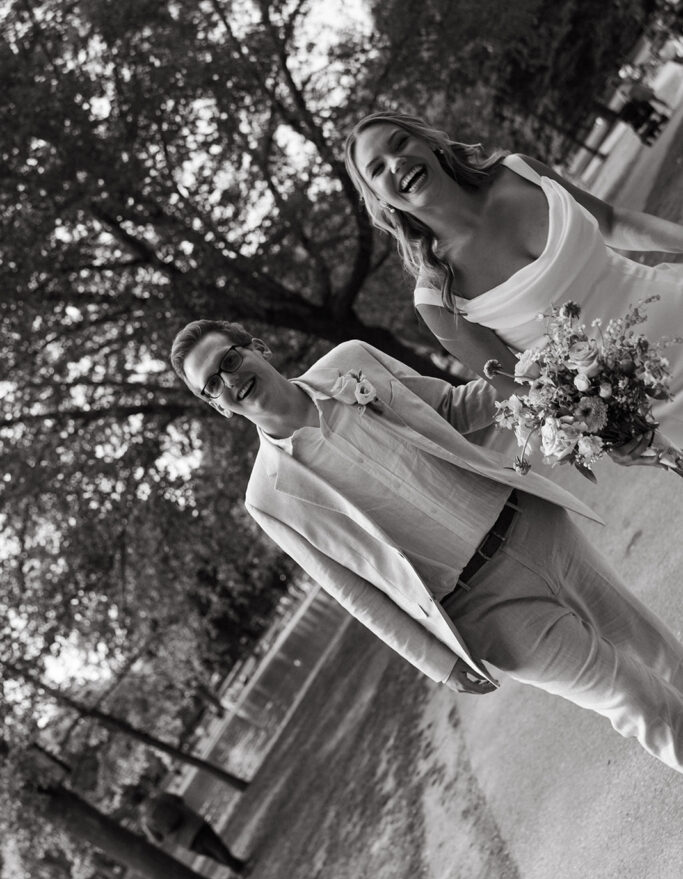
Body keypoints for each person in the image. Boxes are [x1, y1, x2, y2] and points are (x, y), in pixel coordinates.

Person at [170, 320, 683, 771]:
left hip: (532, 525)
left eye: (230, 360)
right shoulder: (267, 498)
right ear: (216, 406)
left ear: (258, 347)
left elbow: (452, 409)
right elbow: (353, 591)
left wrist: (537, 377)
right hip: (483, 609)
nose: (230, 380)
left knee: (658, 651)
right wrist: (436, 663)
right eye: (213, 384)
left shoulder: (352, 360)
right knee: (633, 699)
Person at [343, 111, 683, 451]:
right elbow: (527, 392)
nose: (395, 162)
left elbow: (612, 220)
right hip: (656, 406)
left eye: (400, 142)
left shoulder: (518, 171)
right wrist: (620, 435)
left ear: (429, 143)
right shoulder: (437, 297)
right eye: (376, 168)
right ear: (379, 199)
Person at [141, 791, 250, 875]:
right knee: (218, 847)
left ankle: (238, 867)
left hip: (185, 841)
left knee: (212, 854)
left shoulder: (146, 821)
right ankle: (239, 868)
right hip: (195, 824)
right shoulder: (162, 796)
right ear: (145, 793)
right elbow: (179, 799)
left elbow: (158, 839)